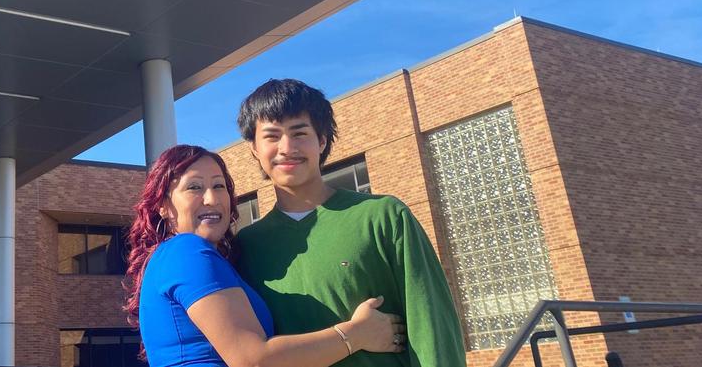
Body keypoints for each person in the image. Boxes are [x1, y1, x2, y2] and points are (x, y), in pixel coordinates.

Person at [234, 79, 465, 367]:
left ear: (321, 140)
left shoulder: (383, 216)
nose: (286, 147)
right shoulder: (246, 246)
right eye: (271, 136)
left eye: (299, 133)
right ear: (254, 148)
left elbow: (432, 324)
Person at [125, 144, 406, 367]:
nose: (212, 198)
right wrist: (356, 334)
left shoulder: (175, 258)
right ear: (162, 205)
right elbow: (253, 360)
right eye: (194, 187)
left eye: (219, 186)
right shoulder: (186, 251)